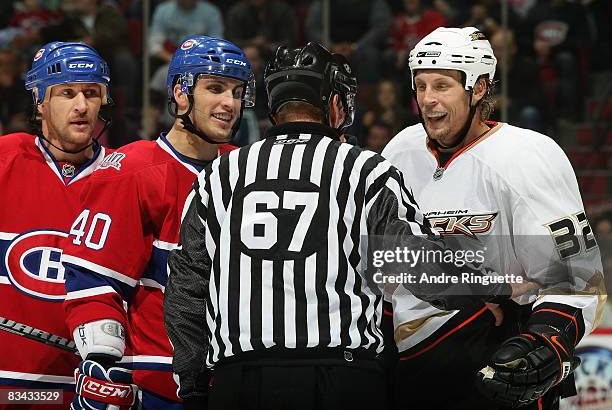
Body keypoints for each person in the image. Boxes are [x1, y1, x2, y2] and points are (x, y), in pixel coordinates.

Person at [163, 41, 525, 410]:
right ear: (334, 104)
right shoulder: (366, 170)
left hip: (238, 378)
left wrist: (194, 384)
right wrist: (494, 286)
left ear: (273, 105)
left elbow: (185, 291)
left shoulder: (218, 176)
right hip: (342, 377)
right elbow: (416, 263)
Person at [382, 26, 605, 409]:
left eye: (442, 85)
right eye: (420, 86)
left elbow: (578, 277)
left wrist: (545, 341)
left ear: (479, 87)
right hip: (409, 367)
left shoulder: (528, 156)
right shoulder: (400, 151)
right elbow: (384, 262)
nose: (428, 100)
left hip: (492, 361)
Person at [59, 36, 255, 409]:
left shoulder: (248, 170)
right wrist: (102, 361)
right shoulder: (134, 170)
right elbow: (94, 279)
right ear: (182, 93)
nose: (229, 103)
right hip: (159, 385)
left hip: (236, 379)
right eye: (215, 88)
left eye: (236, 91)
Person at [0, 41, 113, 408]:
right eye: (67, 93)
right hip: (9, 384)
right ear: (40, 101)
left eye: (91, 93)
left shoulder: (126, 176)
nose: (82, 106)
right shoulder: (6, 159)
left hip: (89, 388)